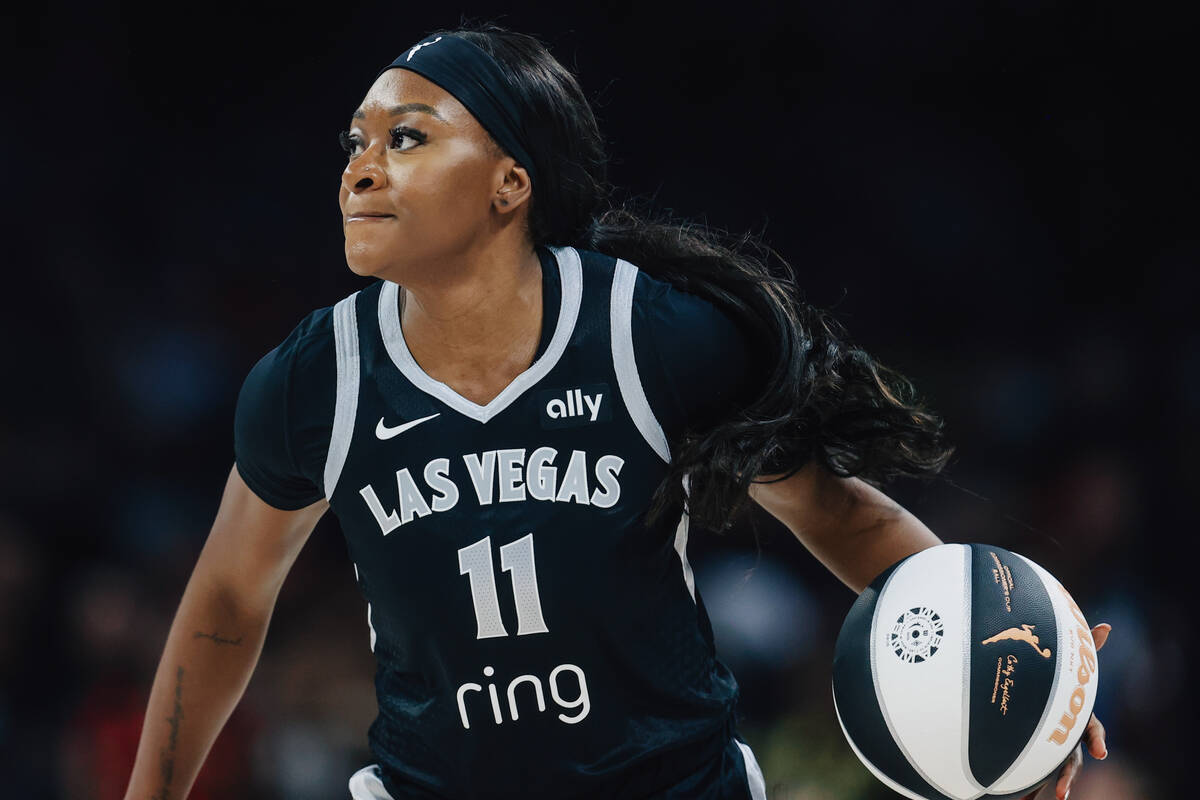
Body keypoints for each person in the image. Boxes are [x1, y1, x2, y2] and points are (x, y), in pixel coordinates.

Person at [121, 22, 1109, 800]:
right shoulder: (314, 379)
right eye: (357, 142)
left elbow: (838, 512)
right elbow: (227, 602)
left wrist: (1029, 680)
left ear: (510, 183)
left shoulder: (649, 337)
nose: (361, 167)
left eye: (406, 137)